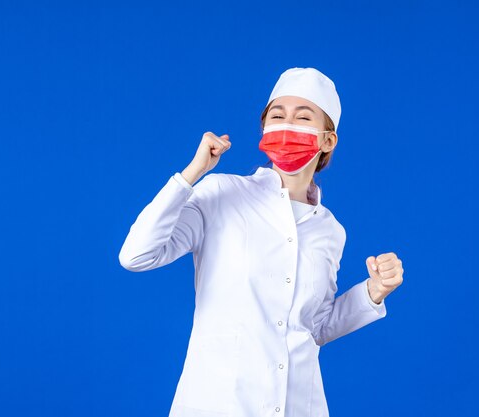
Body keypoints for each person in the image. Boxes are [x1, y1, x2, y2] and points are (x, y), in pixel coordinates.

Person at [118, 67, 404, 417]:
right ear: (265, 129)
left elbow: (315, 327)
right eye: (277, 116)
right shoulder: (221, 193)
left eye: (303, 117)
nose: (287, 126)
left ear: (327, 140)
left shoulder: (330, 229)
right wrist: (192, 173)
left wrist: (373, 292)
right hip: (219, 405)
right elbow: (137, 255)